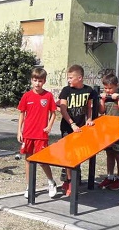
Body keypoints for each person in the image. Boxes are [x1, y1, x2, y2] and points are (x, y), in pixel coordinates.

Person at [56, 64, 97, 197]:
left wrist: (89, 119)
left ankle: (74, 179)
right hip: (68, 127)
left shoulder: (89, 90)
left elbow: (89, 107)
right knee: (68, 155)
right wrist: (72, 124)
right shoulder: (66, 90)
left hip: (81, 128)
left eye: (71, 78)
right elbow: (63, 109)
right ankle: (69, 181)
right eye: (68, 78)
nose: (68, 80)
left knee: (77, 155)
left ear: (79, 78)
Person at [17, 67, 58, 198]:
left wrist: (49, 126)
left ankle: (51, 182)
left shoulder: (48, 96)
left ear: (44, 81)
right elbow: (22, 114)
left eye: (40, 81)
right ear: (31, 80)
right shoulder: (26, 96)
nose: (37, 83)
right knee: (28, 160)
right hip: (28, 133)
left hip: (41, 135)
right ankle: (29, 186)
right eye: (35, 80)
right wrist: (19, 131)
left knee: (42, 160)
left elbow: (53, 113)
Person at [97, 72, 119, 191]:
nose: (108, 90)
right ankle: (110, 177)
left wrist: (118, 99)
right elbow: (101, 111)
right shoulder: (106, 95)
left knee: (118, 154)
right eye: (105, 88)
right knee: (109, 154)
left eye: (110, 88)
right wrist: (102, 100)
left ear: (117, 86)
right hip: (107, 131)